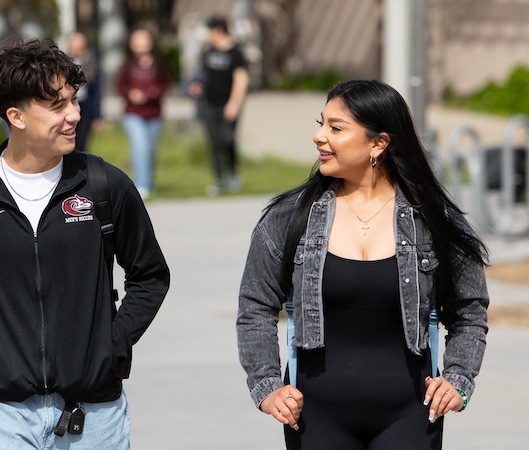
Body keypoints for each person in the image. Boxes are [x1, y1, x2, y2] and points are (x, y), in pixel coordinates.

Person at [0, 38, 170, 449]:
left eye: (74, 101)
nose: (74, 115)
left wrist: (112, 345)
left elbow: (149, 275)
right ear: (16, 116)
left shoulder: (104, 186)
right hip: (2, 411)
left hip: (94, 411)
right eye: (57, 106)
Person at [236, 79, 489, 449]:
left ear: (378, 143)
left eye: (335, 128)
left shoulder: (435, 221)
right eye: (321, 123)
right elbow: (255, 307)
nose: (318, 137)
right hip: (314, 416)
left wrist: (458, 380)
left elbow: (469, 310)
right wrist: (267, 387)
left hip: (412, 414)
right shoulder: (288, 218)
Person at [188, 15, 249, 197]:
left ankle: (233, 173)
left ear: (217, 31)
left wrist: (234, 104)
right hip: (210, 104)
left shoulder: (236, 53)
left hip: (228, 103)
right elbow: (204, 75)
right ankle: (219, 180)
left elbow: (241, 80)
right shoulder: (208, 52)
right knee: (214, 142)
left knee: (228, 140)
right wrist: (198, 87)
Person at [116, 28, 172, 200]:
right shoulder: (128, 64)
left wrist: (149, 94)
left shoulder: (159, 63)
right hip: (133, 114)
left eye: (143, 39)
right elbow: (120, 85)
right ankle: (142, 184)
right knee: (140, 146)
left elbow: (166, 84)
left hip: (154, 114)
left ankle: (149, 183)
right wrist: (131, 94)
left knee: (150, 150)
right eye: (136, 40)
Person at [65, 31, 103, 152]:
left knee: (81, 141)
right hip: (67, 104)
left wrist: (97, 116)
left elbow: (96, 91)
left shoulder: (91, 64)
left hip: (85, 105)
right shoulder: (63, 64)